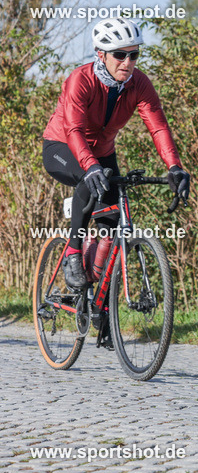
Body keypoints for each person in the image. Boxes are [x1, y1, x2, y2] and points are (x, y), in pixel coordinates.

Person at [42, 18, 190, 309]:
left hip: (102, 154)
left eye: (134, 54)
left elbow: (158, 127)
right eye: (120, 54)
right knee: (88, 180)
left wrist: (175, 166)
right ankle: (73, 252)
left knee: (110, 225)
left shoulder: (139, 83)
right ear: (101, 54)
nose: (128, 62)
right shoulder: (80, 80)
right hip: (63, 145)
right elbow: (74, 130)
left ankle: (97, 304)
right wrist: (90, 165)